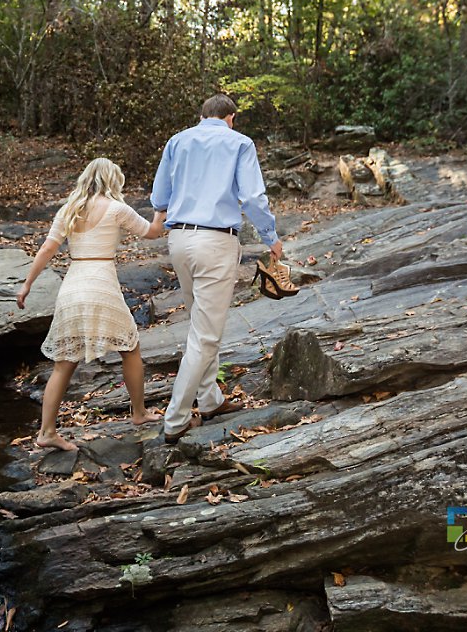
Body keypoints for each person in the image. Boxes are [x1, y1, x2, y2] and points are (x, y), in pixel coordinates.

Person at [150, 93, 282, 444]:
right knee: (206, 334)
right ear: (231, 117)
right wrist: (270, 236)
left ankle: (210, 400)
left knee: (200, 325)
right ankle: (176, 418)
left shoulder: (177, 141)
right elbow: (253, 198)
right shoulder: (239, 143)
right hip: (215, 242)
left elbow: (160, 197)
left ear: (201, 115)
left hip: (178, 240)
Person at [17, 157, 166, 452]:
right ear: (113, 180)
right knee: (130, 347)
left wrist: (27, 284)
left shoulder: (68, 209)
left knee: (63, 363)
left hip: (72, 286)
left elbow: (48, 248)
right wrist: (162, 211)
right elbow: (151, 232)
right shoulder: (117, 209)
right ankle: (139, 413)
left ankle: (46, 431)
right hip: (101, 285)